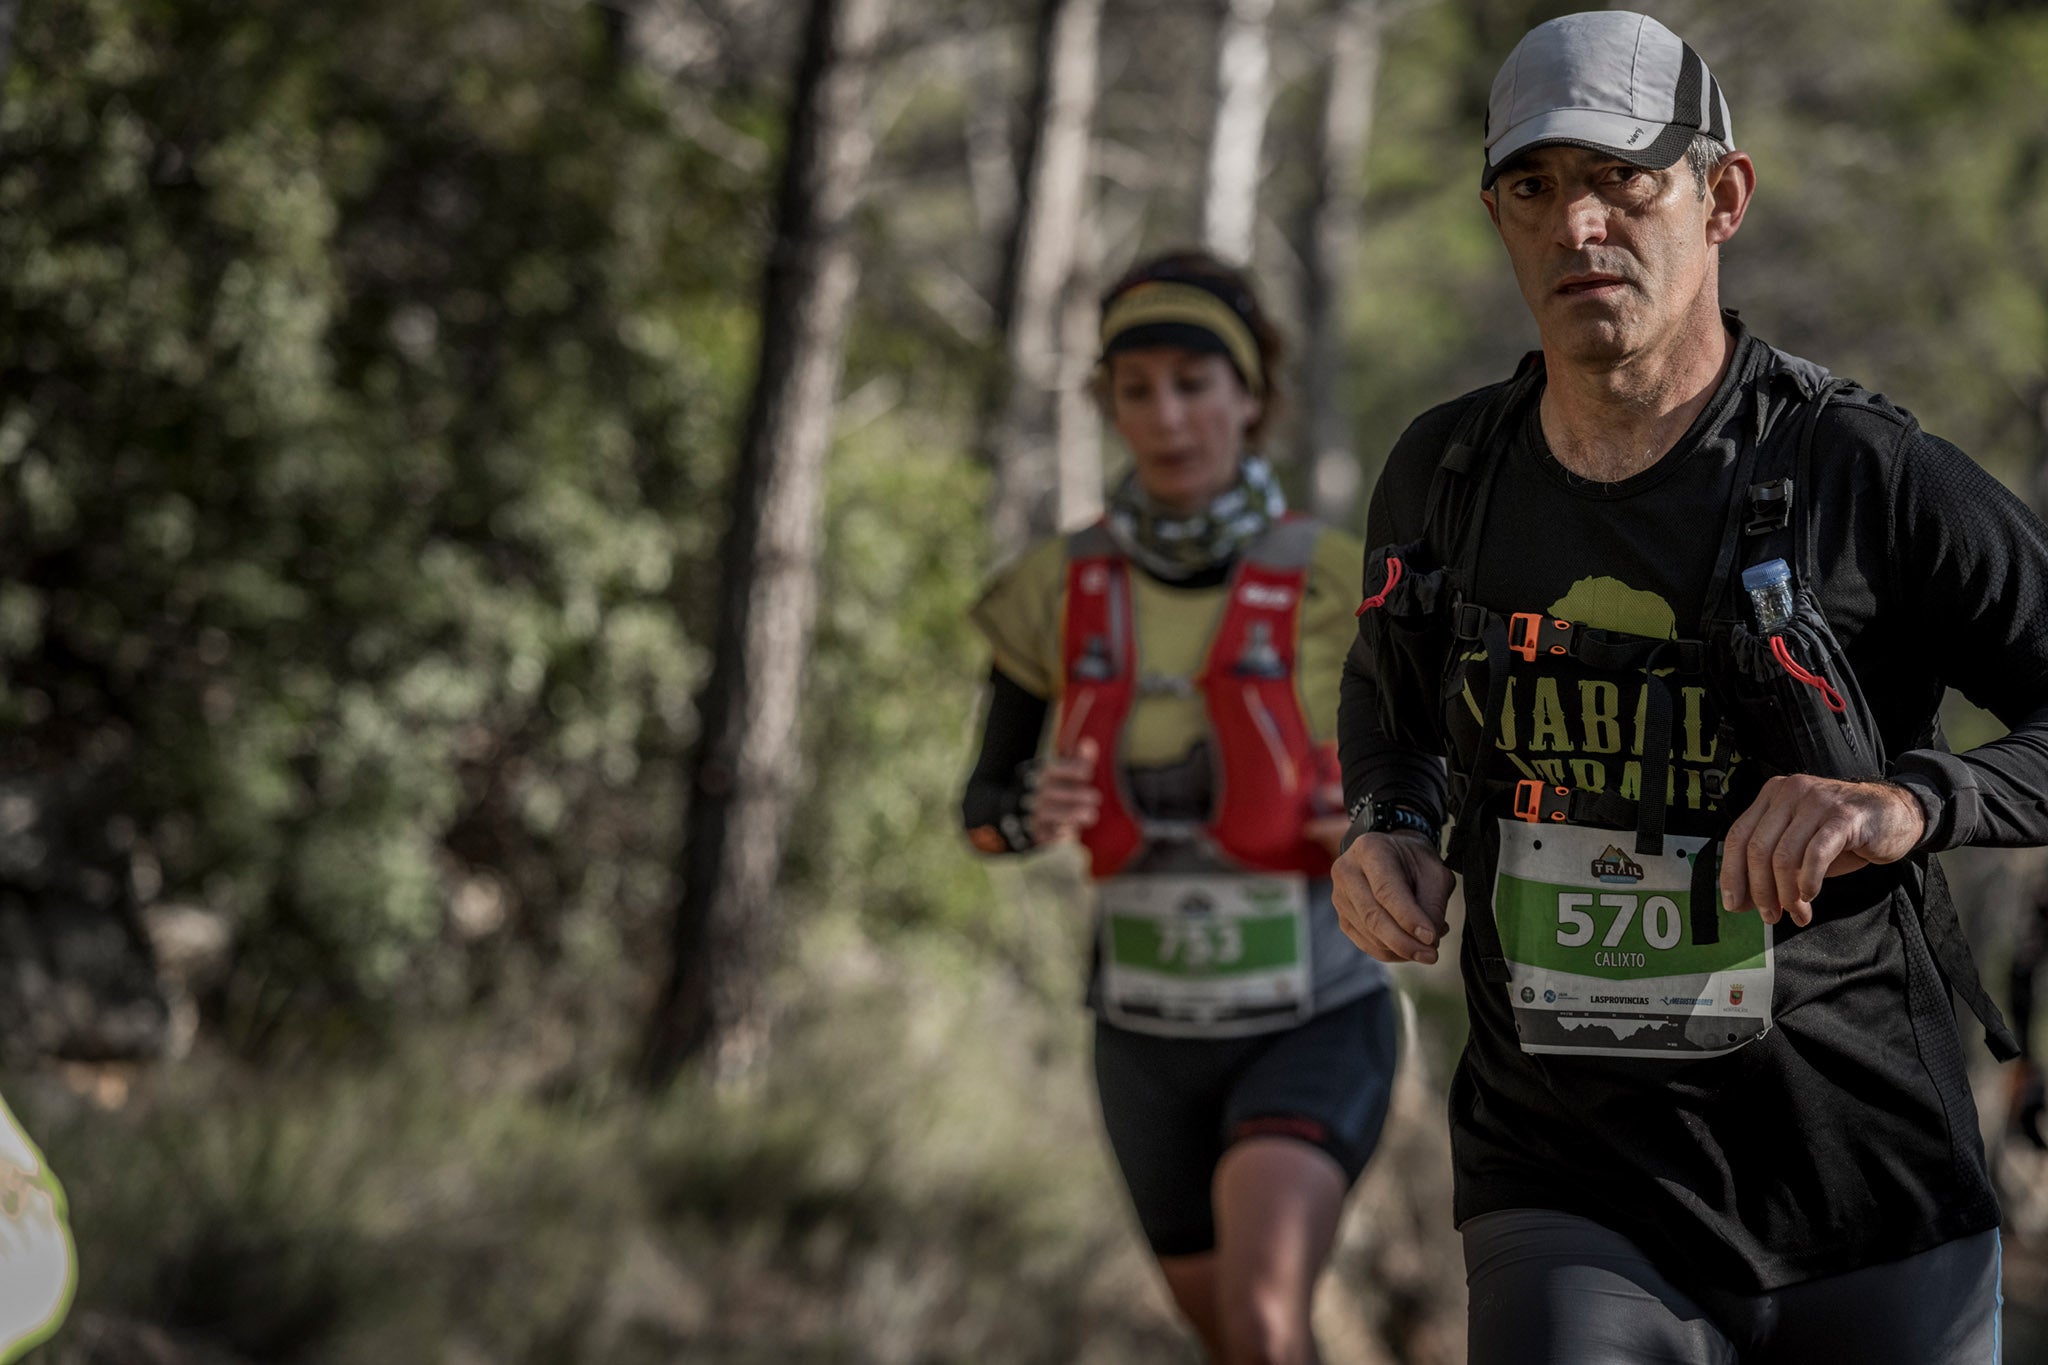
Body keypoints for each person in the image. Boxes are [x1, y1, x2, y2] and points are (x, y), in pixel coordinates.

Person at [1335, 11, 2048, 1363]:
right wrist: (1386, 817)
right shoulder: (1444, 473)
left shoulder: (1868, 477)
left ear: (1722, 198)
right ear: (1497, 217)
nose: (1576, 226)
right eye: (1534, 189)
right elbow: (1392, 692)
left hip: (1869, 1193)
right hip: (1571, 1185)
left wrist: (1907, 805)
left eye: (1622, 179)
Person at [964, 249, 1398, 1365]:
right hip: (1140, 1038)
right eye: (1135, 389)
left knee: (1262, 1320)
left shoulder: (1338, 585)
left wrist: (1375, 819)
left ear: (1248, 396)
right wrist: (1032, 810)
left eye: (1193, 384)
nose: (1165, 418)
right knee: (1233, 1345)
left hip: (1312, 1017)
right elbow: (981, 810)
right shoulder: (1050, 589)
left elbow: (1437, 784)